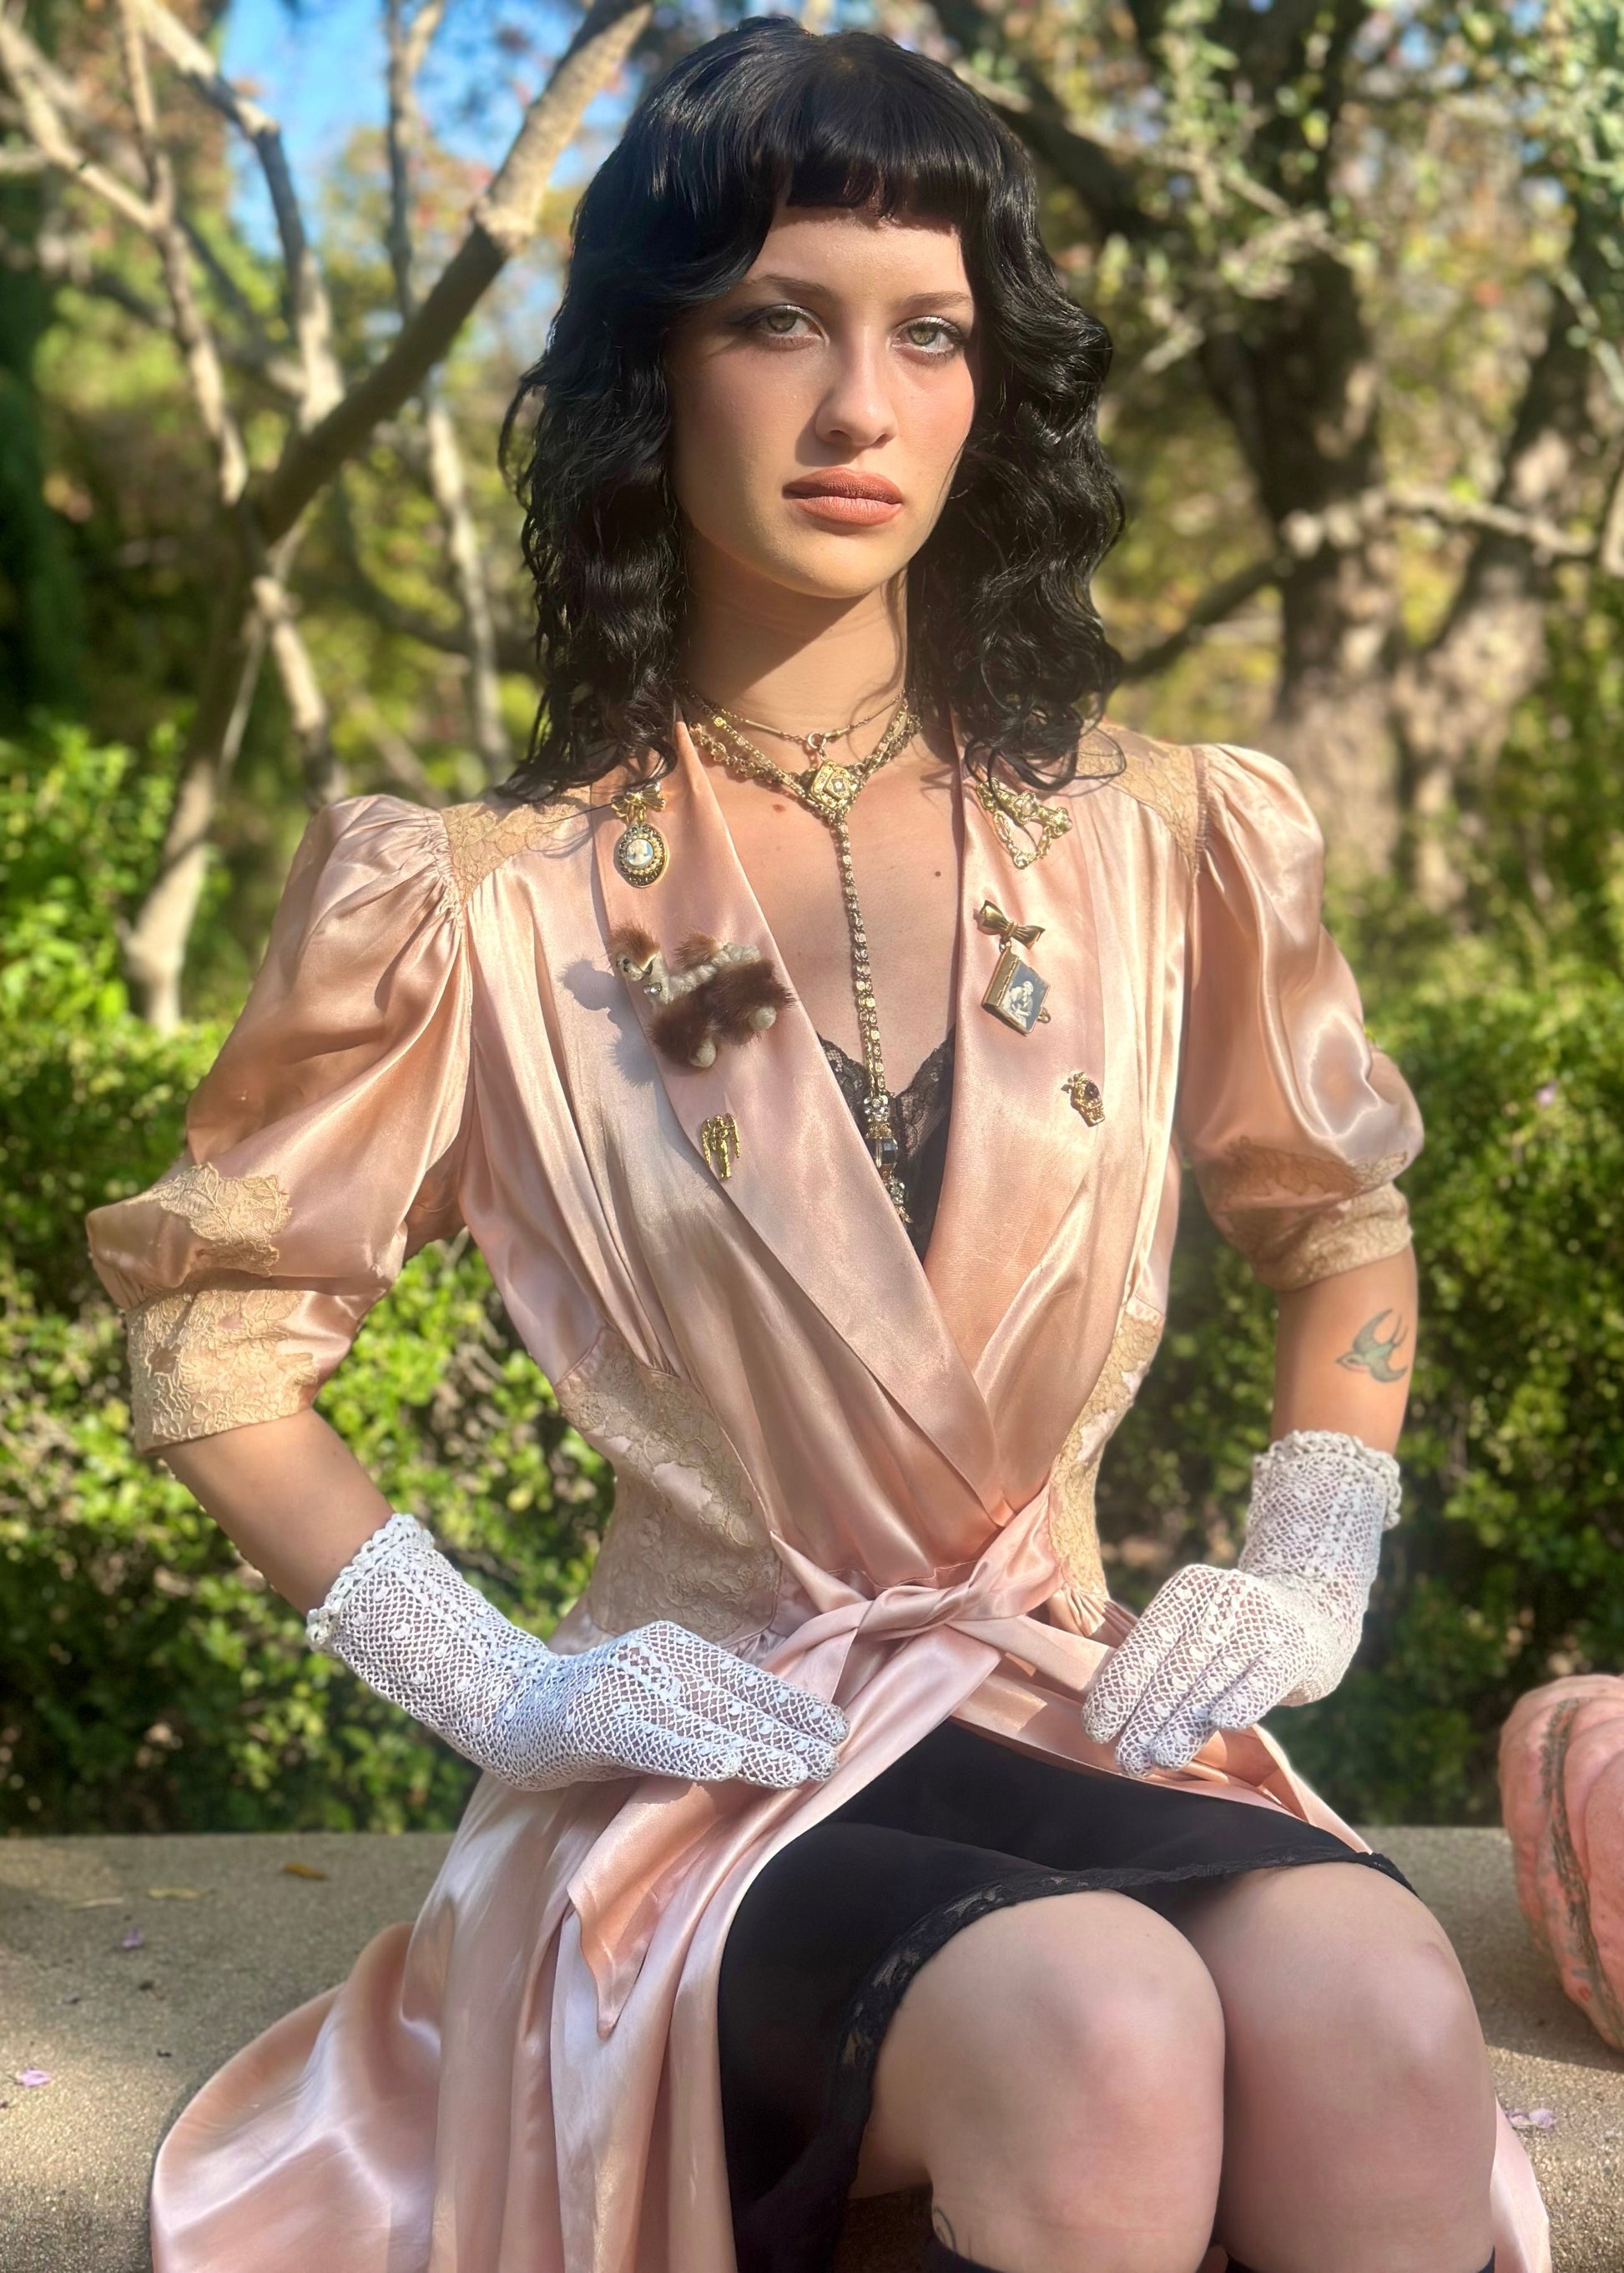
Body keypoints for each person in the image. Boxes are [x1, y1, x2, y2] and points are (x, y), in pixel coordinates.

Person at [85, 19, 1550, 2273]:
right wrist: (505, 1683)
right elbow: (216, 1341)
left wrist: (1305, 1564)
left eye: (928, 333)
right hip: (705, 1773)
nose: (862, 405)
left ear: (991, 387)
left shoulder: (1164, 844)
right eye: (780, 318)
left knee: (1379, 2003)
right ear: (651, 368)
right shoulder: (485, 903)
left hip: (1057, 1702)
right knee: (1095, 2026)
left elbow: (1335, 1218)